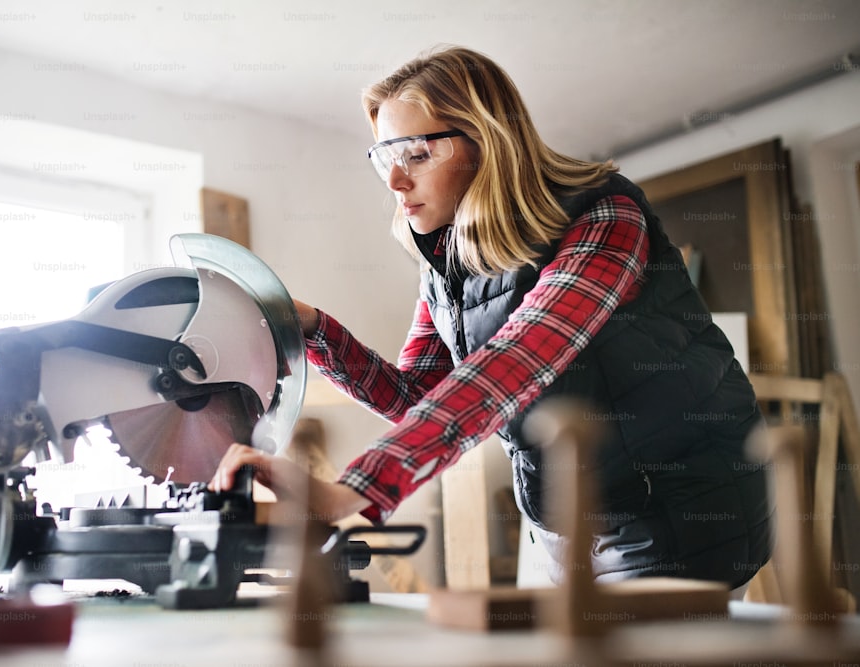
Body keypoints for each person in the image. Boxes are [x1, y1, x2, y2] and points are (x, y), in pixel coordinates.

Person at [210, 46, 772, 588]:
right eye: (385, 156)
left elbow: (521, 359)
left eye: (418, 154)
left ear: (486, 142)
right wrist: (311, 328)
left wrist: (351, 490)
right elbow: (415, 398)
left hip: (685, 510)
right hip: (569, 521)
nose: (394, 181)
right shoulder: (448, 261)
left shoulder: (604, 214)